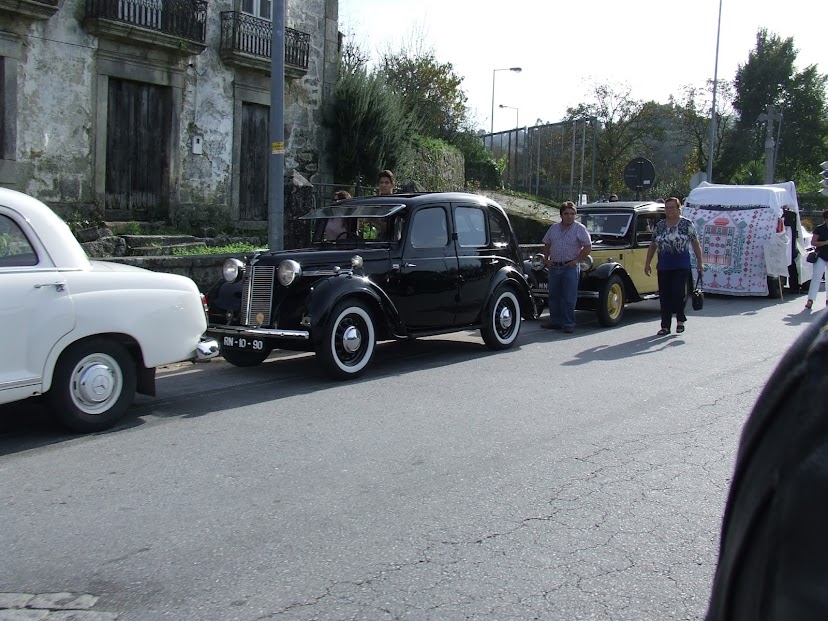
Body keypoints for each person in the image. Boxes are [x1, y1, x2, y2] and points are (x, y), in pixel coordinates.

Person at [644, 197, 704, 336]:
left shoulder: (686, 224)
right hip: (664, 265)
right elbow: (653, 245)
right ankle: (665, 326)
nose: (669, 210)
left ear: (678, 208)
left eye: (672, 207)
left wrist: (700, 263)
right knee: (664, 296)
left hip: (681, 264)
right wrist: (648, 263)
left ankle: (680, 319)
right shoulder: (660, 225)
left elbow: (695, 243)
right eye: (667, 208)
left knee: (678, 294)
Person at [540, 201, 592, 333]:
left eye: (572, 214)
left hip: (570, 267)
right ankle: (555, 321)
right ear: (561, 215)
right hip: (555, 266)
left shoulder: (579, 229)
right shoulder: (553, 228)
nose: (570, 216)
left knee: (569, 297)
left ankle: (569, 323)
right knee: (554, 296)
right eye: (567, 214)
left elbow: (587, 246)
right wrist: (547, 260)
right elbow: (546, 244)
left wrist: (577, 260)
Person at [804, 208, 828, 309]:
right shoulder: (819, 228)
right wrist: (825, 243)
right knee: (816, 277)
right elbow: (813, 242)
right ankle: (810, 299)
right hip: (821, 255)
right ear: (825, 219)